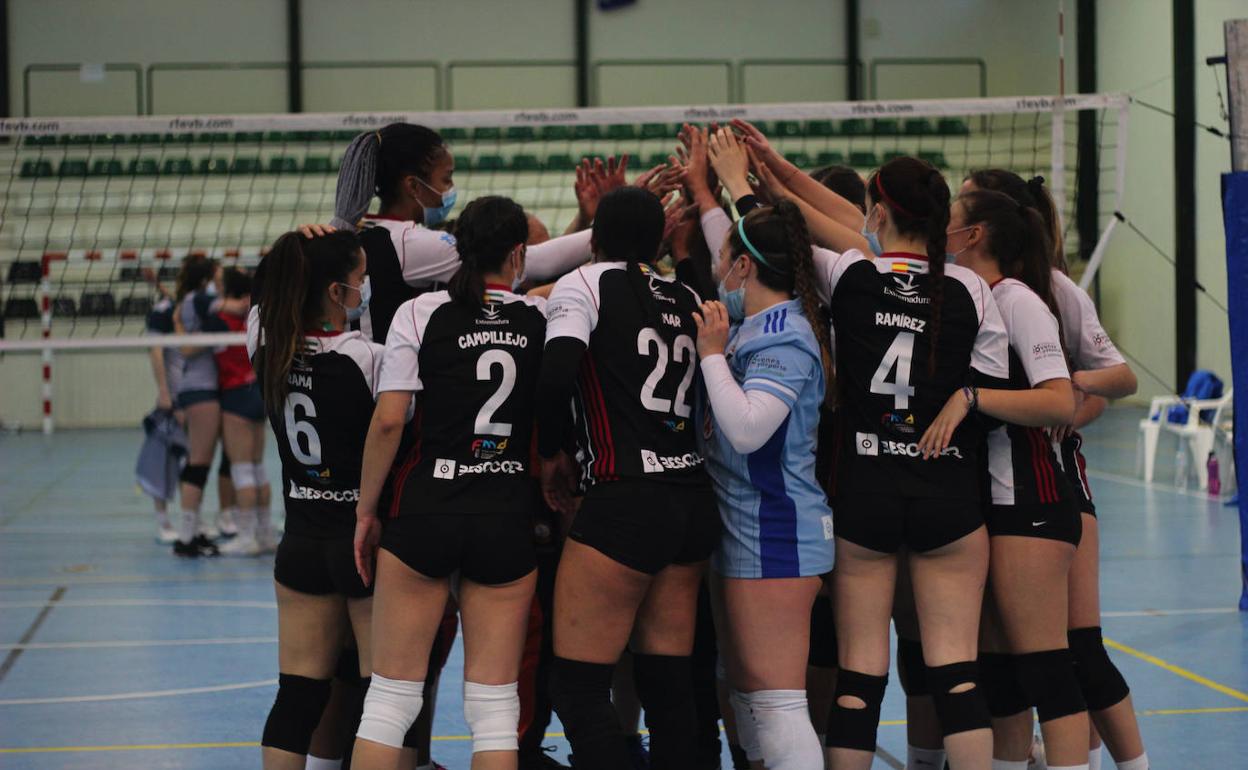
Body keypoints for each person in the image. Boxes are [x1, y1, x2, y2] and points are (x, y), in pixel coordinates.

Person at [774, 156, 1013, 770]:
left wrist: (746, 171)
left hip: (865, 494)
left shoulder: (850, 274)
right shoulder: (971, 289)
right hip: (948, 496)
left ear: (877, 212)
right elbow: (989, 397)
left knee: (859, 676)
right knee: (957, 672)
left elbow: (789, 220)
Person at [350, 196, 544, 770]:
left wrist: (366, 512)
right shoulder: (539, 317)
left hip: (424, 511)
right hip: (504, 516)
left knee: (389, 700)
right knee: (494, 708)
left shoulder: (420, 313)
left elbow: (389, 420)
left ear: (456, 251)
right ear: (517, 254)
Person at [966, 171, 1147, 770]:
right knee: (1007, 662)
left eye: (962, 200)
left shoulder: (1042, 294)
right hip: (998, 489)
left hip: (1050, 484)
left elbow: (1114, 379)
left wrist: (1073, 394)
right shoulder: (969, 289)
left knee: (1074, 653)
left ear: (985, 227)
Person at [535, 186, 718, 770]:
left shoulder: (585, 283)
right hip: (690, 502)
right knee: (669, 685)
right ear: (660, 238)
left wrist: (551, 453)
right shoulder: (688, 293)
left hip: (623, 499)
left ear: (595, 238)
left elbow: (556, 374)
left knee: (578, 686)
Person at [930, 188, 1088, 770]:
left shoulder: (1018, 299)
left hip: (1034, 501)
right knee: (998, 668)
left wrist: (973, 397)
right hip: (992, 502)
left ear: (973, 236)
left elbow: (1059, 402)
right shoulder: (970, 295)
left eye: (949, 223)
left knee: (1046, 666)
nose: (938, 232)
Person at [692, 200, 835, 770]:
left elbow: (750, 429)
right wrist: (704, 197)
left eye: (725, 257)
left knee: (776, 700)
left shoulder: (787, 335)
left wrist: (709, 357)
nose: (717, 267)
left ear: (744, 267)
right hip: (747, 526)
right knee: (748, 688)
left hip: (776, 529)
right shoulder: (753, 324)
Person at [249, 230, 379, 770]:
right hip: (361, 545)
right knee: (384, 697)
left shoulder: (266, 345)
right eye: (360, 278)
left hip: (300, 541)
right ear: (334, 290)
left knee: (298, 695)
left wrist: (302, 241)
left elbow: (266, 293)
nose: (366, 286)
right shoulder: (367, 356)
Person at [328, 123, 595, 346]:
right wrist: (609, 227)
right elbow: (532, 260)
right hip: (385, 373)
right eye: (446, 179)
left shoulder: (360, 229)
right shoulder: (408, 243)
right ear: (413, 186)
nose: (450, 189)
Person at [205, 267, 274, 557]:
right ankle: (266, 533)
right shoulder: (254, 319)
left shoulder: (217, 320)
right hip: (258, 392)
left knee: (242, 469)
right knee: (257, 468)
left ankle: (246, 537)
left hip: (234, 395)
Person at [170, 254, 225, 556]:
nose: (221, 279)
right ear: (207, 278)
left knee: (199, 461)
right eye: (217, 275)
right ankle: (186, 537)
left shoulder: (191, 302)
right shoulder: (200, 299)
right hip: (201, 389)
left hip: (200, 387)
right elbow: (189, 348)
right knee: (199, 462)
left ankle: (193, 531)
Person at [140, 290, 186, 543]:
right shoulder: (163, 312)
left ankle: (193, 518)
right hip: (173, 399)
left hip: (196, 396)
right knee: (164, 459)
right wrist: (164, 391)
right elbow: (155, 351)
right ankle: (163, 520)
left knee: (193, 463)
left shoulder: (194, 306)